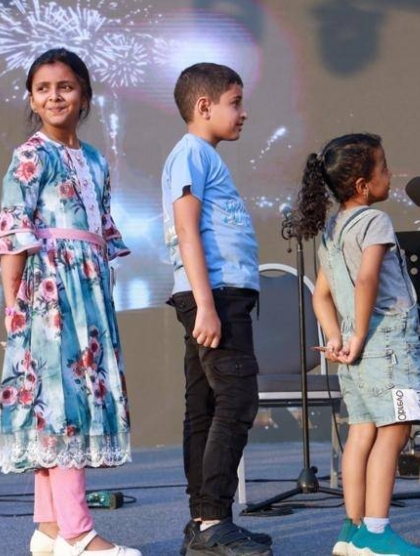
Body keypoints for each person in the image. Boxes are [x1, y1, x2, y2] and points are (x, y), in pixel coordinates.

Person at [0, 48, 139, 556]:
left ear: (85, 95)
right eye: (43, 88)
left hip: (89, 292)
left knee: (70, 399)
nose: (55, 96)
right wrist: (15, 305)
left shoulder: (95, 160)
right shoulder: (31, 155)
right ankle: (79, 531)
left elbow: (100, 231)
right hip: (49, 293)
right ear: (32, 99)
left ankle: (50, 527)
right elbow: (15, 233)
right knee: (60, 404)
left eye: (66, 86)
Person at [294, 133, 420, 556]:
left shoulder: (331, 230)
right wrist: (355, 336)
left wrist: (338, 338)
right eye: (384, 168)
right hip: (389, 341)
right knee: (396, 429)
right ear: (362, 185)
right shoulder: (374, 221)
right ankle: (377, 533)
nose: (390, 175)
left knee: (361, 433)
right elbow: (368, 279)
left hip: (354, 351)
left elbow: (321, 295)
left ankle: (350, 534)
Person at [162, 63, 272, 556]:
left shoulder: (201, 156)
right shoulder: (190, 155)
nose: (243, 113)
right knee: (236, 400)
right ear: (204, 107)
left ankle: (205, 522)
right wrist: (206, 304)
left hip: (218, 295)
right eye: (235, 102)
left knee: (205, 406)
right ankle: (212, 520)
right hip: (215, 297)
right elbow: (187, 231)